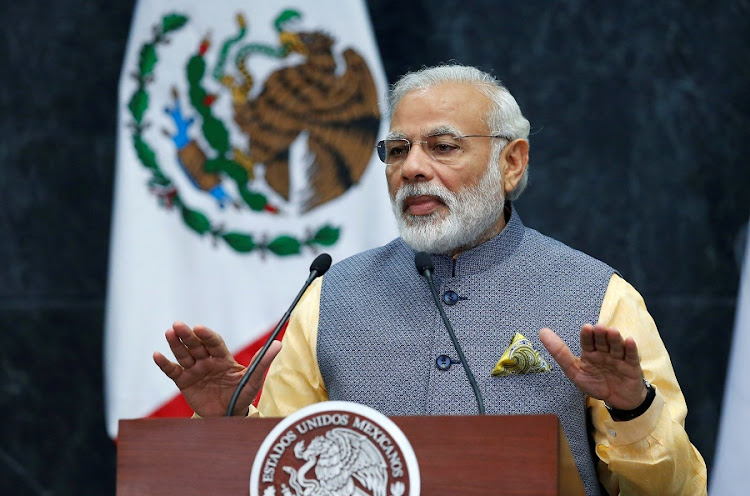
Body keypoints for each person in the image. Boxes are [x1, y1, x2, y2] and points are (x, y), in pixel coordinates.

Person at [154, 64, 707, 495]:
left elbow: (676, 492)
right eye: (397, 150)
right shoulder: (331, 296)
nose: (411, 168)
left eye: (442, 146)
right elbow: (287, 474)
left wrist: (633, 409)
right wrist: (228, 422)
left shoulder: (598, 296)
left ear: (512, 163)